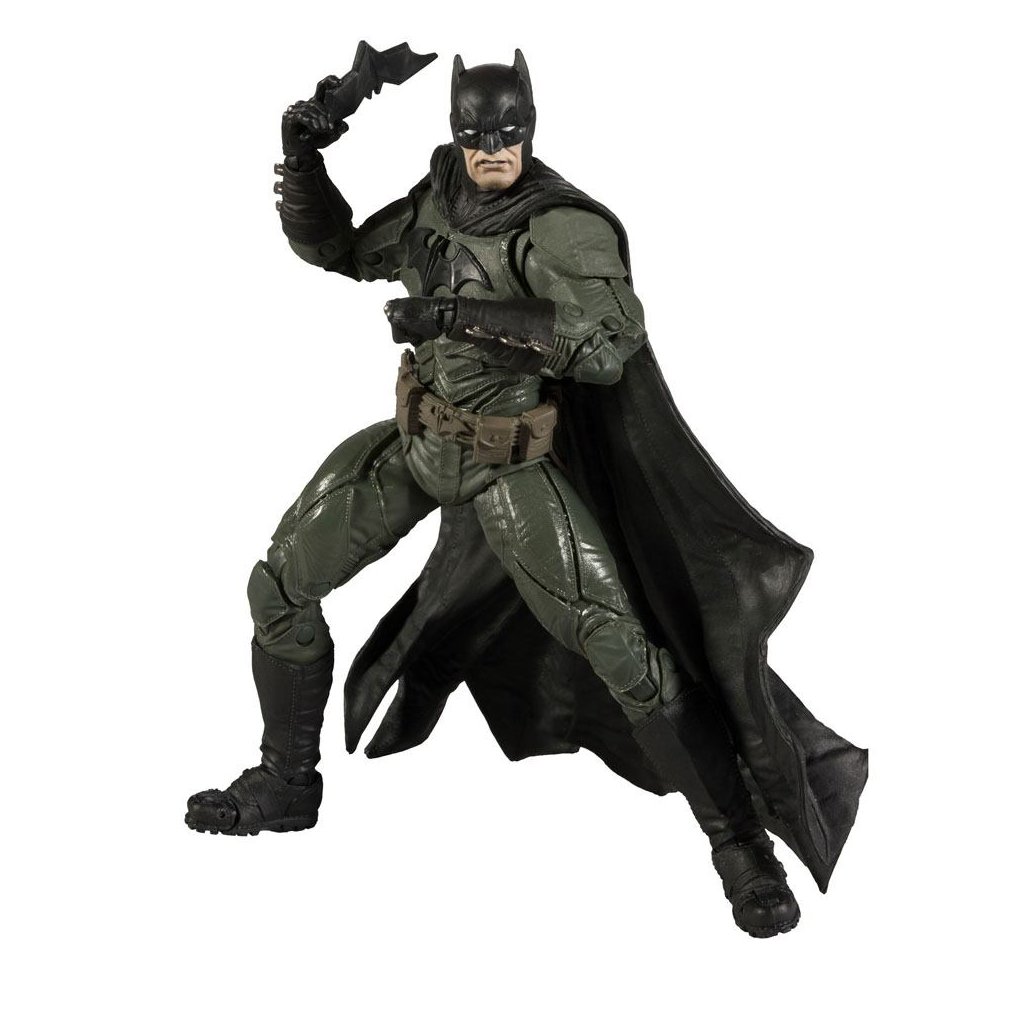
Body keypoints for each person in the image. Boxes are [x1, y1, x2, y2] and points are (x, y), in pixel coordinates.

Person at [185, 47, 867, 939]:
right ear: (456, 134)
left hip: (510, 466)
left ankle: (741, 847)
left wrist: (459, 317)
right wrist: (303, 162)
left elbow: (607, 344)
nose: (493, 150)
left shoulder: (559, 227)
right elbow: (341, 251)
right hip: (418, 441)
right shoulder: (440, 197)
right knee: (278, 585)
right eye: (476, 136)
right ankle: (286, 782)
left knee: (626, 650)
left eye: (508, 134)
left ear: (530, 128)